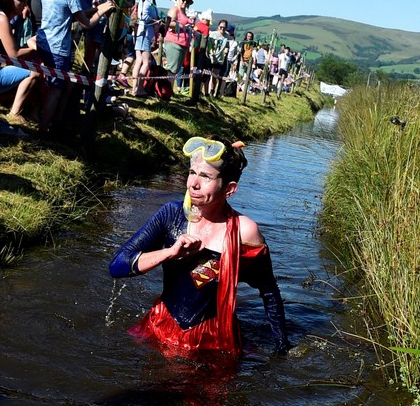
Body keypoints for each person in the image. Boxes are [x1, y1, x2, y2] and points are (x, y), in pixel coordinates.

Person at [109, 136, 290, 357]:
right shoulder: (171, 215)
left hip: (212, 341)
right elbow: (117, 267)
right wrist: (169, 252)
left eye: (205, 176)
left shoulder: (244, 232)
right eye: (192, 172)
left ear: (230, 188)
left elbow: (269, 292)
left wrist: (282, 349)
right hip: (161, 326)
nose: (193, 184)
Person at [35, 0, 113, 134]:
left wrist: (94, 8)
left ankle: (51, 119)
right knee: (56, 90)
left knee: (53, 83)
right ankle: (44, 130)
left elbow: (70, 14)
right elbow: (85, 24)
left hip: (43, 42)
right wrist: (101, 12)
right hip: (58, 48)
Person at [130, 0, 163, 97]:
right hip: (144, 33)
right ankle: (138, 89)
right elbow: (144, 16)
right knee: (147, 62)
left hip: (141, 33)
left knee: (139, 61)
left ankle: (135, 89)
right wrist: (156, 22)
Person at [162, 0, 192, 93]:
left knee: (175, 70)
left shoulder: (184, 13)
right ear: (178, 0)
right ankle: (166, 91)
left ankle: (169, 90)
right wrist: (183, 26)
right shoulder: (174, 10)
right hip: (174, 43)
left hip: (182, 45)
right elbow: (169, 23)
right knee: (171, 69)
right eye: (183, 0)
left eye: (187, 1)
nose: (184, 2)